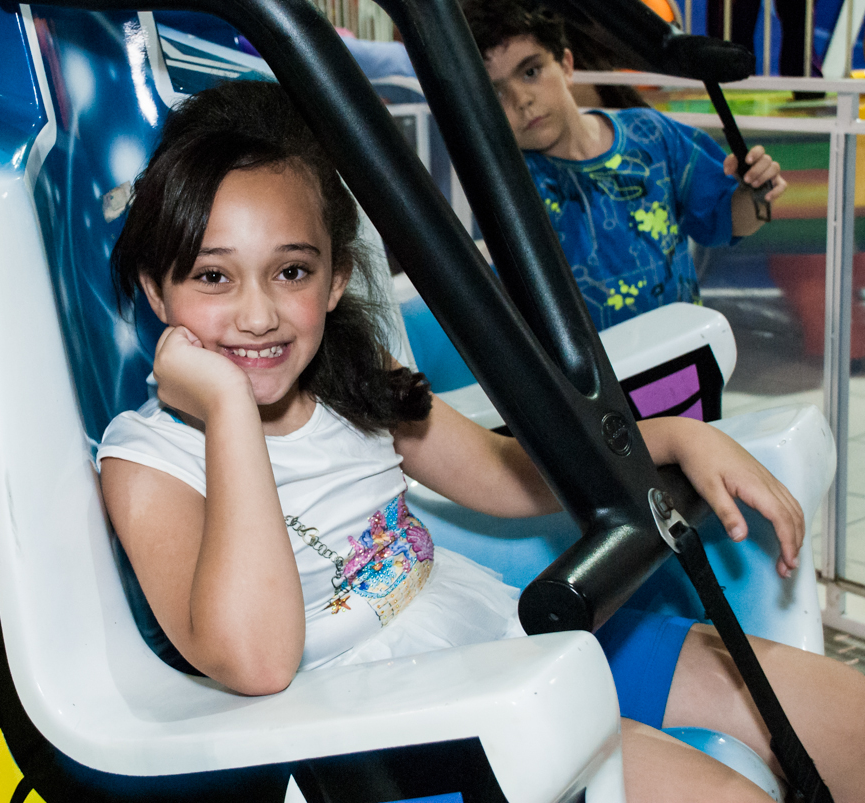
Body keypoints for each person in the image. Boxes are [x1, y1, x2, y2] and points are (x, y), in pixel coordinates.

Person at [96, 80, 864, 801]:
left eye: (290, 271)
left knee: (840, 713)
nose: (258, 315)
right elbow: (257, 661)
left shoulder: (356, 383)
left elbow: (503, 473)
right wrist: (228, 410)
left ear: (334, 281)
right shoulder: (147, 462)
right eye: (213, 277)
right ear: (157, 289)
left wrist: (669, 437)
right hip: (407, 735)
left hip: (499, 634)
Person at [462, 2, 789, 331]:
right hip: (588, 380)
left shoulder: (651, 133)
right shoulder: (507, 186)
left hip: (684, 359)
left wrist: (756, 191)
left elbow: (730, 221)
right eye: (496, 92)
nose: (521, 99)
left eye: (531, 72)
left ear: (566, 64)